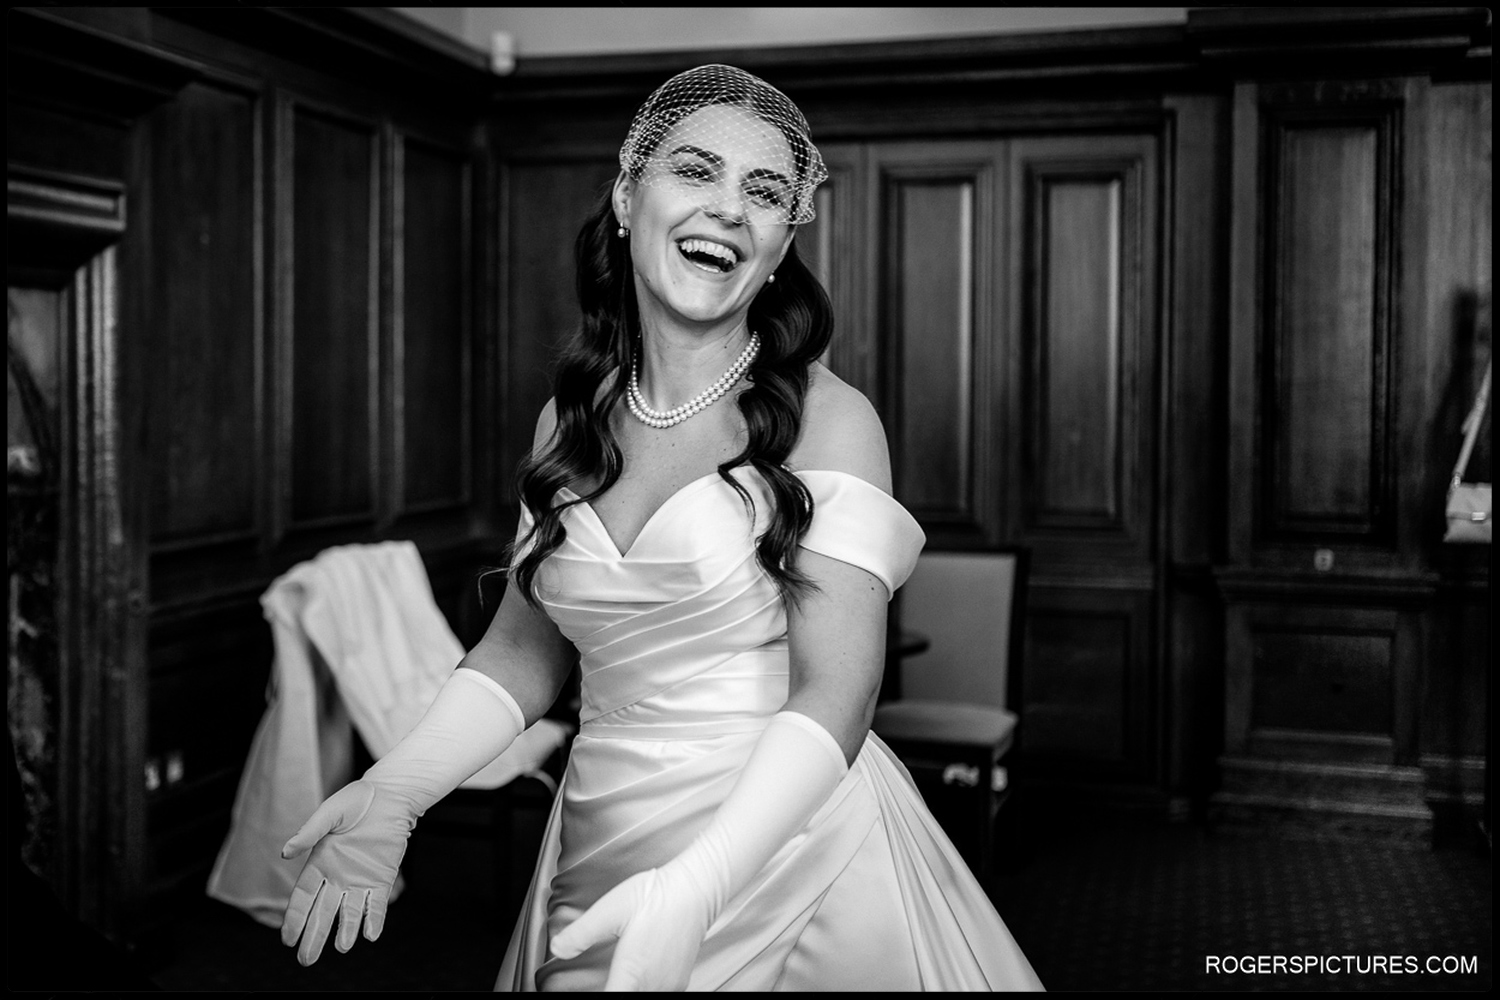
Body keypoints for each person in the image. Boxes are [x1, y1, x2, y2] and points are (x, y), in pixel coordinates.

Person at [279, 64, 1043, 992]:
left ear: (780, 242)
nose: (728, 208)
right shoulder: (568, 422)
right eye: (696, 171)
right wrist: (400, 787)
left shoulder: (830, 420)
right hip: (602, 829)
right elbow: (523, 653)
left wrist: (701, 885)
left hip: (788, 848)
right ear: (627, 194)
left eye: (762, 193)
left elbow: (839, 689)